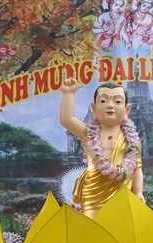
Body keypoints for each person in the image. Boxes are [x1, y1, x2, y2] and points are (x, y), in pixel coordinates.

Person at [60, 76, 144, 218]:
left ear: (127, 109)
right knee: (94, 228)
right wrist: (69, 93)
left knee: (120, 228)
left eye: (117, 101)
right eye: (103, 101)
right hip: (93, 195)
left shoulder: (133, 140)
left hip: (123, 193)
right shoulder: (89, 133)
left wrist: (138, 192)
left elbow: (137, 168)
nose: (110, 105)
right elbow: (67, 120)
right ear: (94, 108)